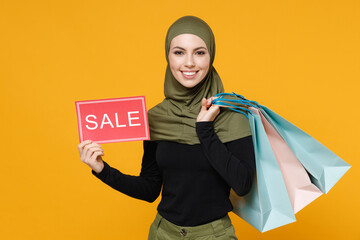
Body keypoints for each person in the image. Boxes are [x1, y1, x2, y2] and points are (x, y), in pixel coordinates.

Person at [78, 15, 256, 240]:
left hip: (214, 235)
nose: (189, 62)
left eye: (199, 52)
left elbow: (242, 185)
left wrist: (205, 130)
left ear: (211, 56)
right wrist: (102, 170)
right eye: (179, 52)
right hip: (163, 233)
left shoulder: (232, 115)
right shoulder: (156, 118)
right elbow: (150, 189)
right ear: (168, 57)